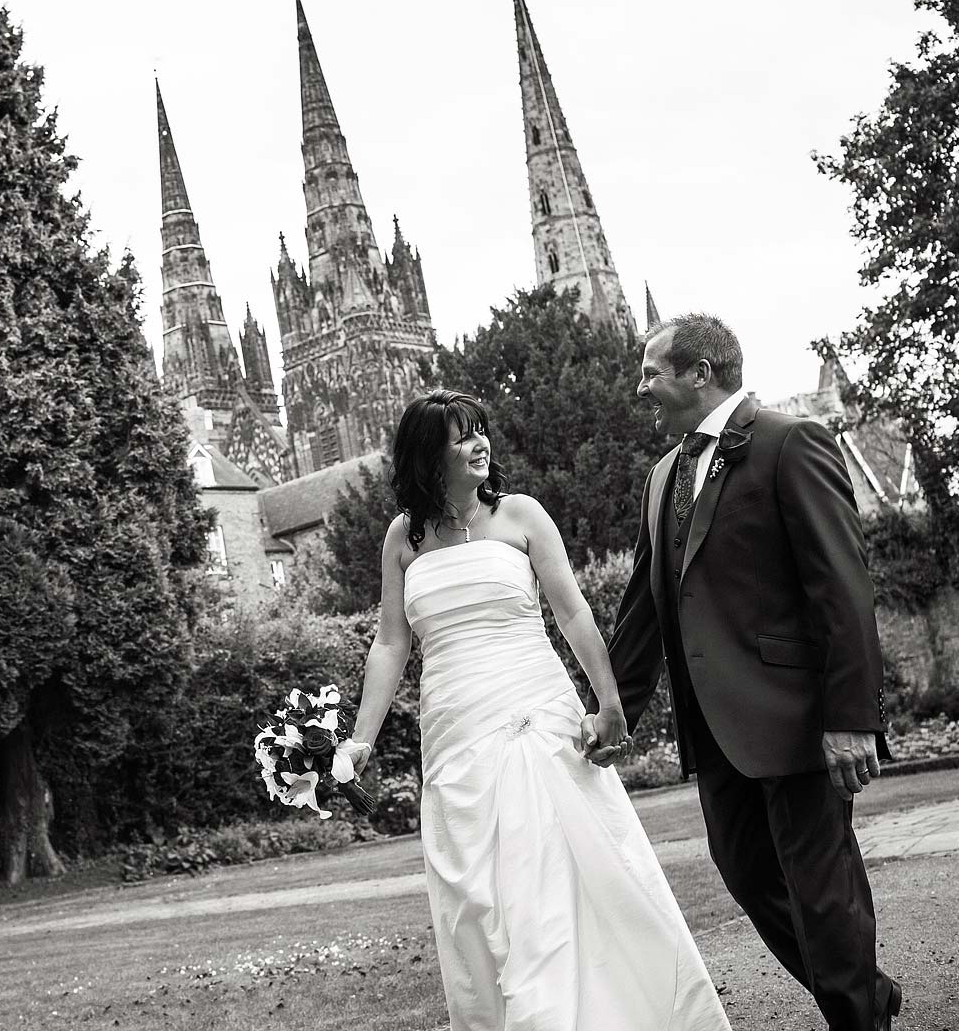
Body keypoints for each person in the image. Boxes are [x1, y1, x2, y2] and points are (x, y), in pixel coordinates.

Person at [346, 389, 730, 1031]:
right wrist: (361, 738)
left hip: (537, 715)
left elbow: (573, 612)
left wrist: (610, 704)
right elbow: (391, 642)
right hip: (454, 731)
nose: (479, 443)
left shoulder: (521, 515)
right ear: (426, 453)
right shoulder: (402, 539)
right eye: (461, 435)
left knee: (562, 875)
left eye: (481, 431)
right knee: (479, 896)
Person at [602, 313, 901, 1031]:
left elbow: (842, 590)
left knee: (822, 890)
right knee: (746, 874)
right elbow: (646, 606)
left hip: (800, 719)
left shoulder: (790, 443)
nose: (641, 385)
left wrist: (851, 718)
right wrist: (612, 707)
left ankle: (860, 1018)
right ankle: (868, 994)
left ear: (699, 372)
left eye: (652, 371)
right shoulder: (662, 476)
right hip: (715, 728)